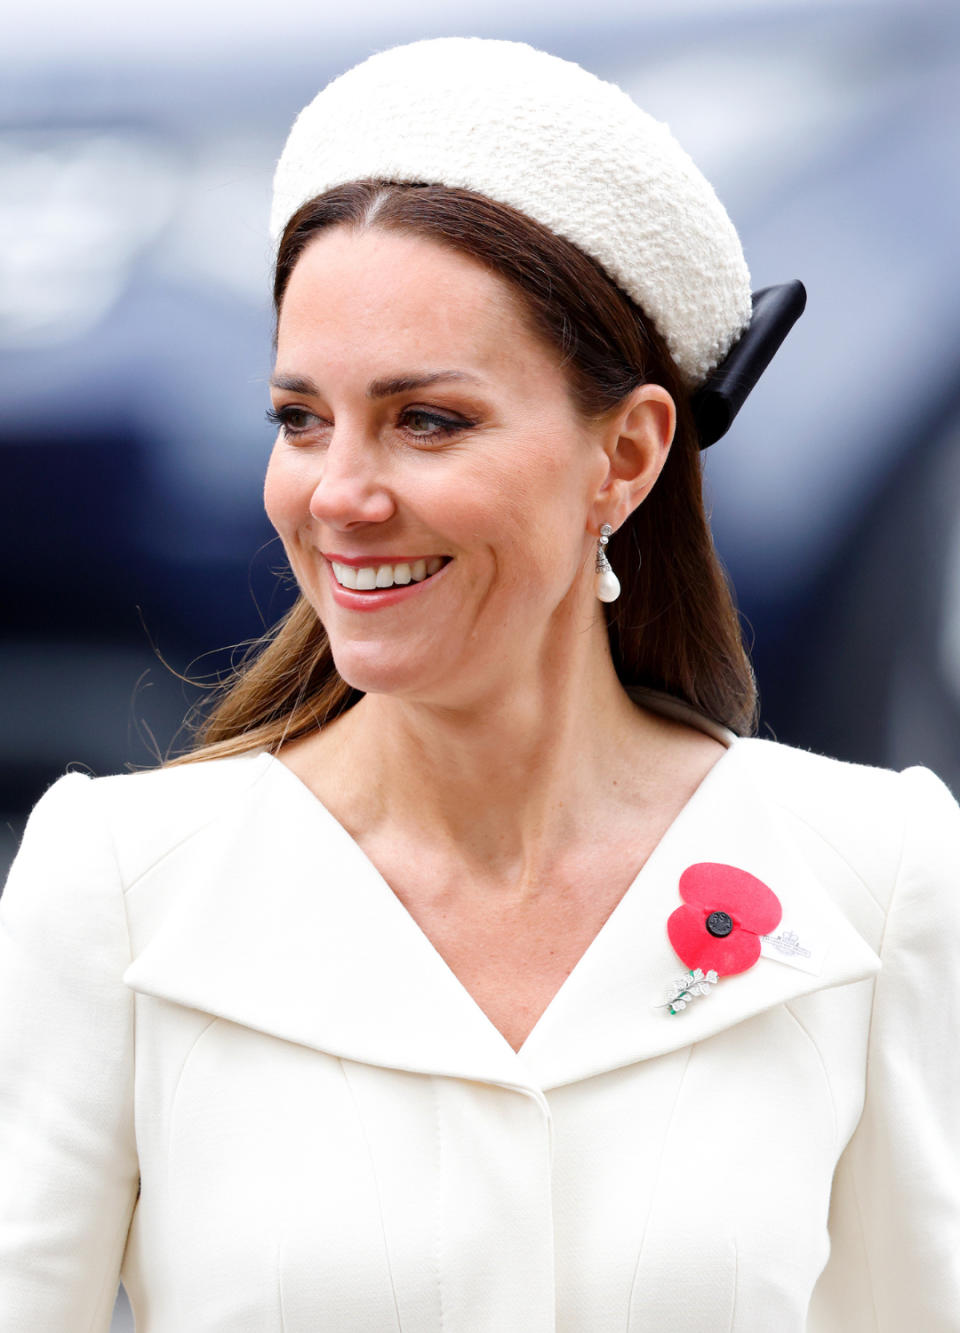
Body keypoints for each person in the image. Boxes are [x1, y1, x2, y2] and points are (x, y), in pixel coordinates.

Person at [1, 36, 957, 1332]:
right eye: (300, 418)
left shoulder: (877, 874)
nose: (338, 492)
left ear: (626, 455)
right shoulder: (113, 887)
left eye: (427, 419)